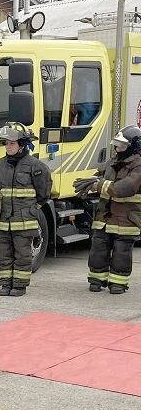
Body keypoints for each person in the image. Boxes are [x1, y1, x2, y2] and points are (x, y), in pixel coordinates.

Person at [0, 122, 52, 297]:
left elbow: (44, 192)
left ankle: (20, 285)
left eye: (12, 143)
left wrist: (31, 209)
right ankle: (5, 283)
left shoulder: (35, 166)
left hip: (25, 221)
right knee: (3, 254)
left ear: (22, 145)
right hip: (2, 221)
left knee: (23, 254)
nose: (8, 147)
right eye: (6, 144)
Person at [74, 125, 141, 294]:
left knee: (121, 251)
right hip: (105, 216)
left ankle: (118, 283)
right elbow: (99, 176)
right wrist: (91, 182)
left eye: (123, 145)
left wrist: (99, 185)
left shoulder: (138, 165)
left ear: (134, 146)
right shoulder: (112, 162)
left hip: (127, 218)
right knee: (99, 247)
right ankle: (97, 279)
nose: (118, 148)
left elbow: (124, 188)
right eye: (117, 145)